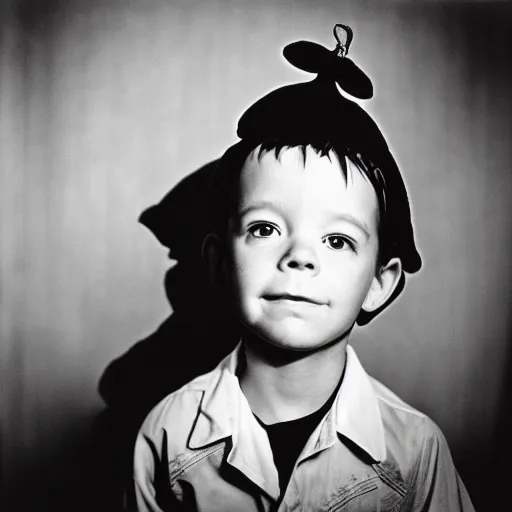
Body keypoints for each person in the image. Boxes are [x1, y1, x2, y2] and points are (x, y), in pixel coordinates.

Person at [129, 25, 474, 511]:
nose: (299, 256)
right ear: (218, 262)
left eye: (337, 240)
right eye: (265, 229)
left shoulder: (416, 451)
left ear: (380, 283)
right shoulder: (166, 435)